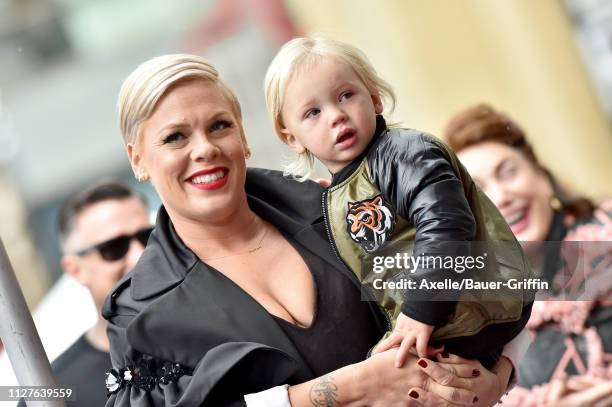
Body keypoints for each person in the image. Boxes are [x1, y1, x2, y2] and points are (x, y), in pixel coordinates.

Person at [102, 54, 519, 407]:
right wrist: (350, 388)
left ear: (244, 136)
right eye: (175, 137)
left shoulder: (339, 200)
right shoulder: (140, 316)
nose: (205, 149)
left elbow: (493, 270)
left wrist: (500, 374)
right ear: (137, 159)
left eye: (219, 126)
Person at [263, 36, 532, 370]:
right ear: (291, 137)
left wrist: (419, 311)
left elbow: (447, 226)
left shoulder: (404, 154)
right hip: (441, 316)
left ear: (374, 98)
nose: (336, 116)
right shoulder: (342, 189)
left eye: (346, 95)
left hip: (472, 308)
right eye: (313, 112)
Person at [443, 103, 612, 406]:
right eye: (479, 194)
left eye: (508, 173)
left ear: (540, 175)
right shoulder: (470, 322)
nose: (501, 197)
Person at [18, 181, 152, 407]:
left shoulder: (207, 329)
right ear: (75, 269)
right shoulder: (53, 393)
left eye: (147, 237)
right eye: (113, 247)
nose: (139, 256)